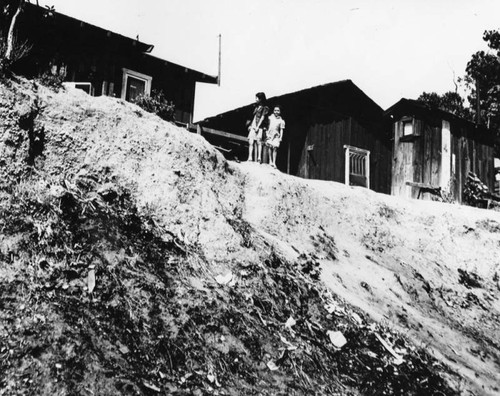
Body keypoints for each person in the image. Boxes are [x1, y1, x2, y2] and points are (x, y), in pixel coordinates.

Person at [247, 92, 269, 163]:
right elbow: (253, 117)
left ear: (260, 99)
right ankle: (250, 157)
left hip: (260, 126)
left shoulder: (264, 108)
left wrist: (258, 126)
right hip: (254, 124)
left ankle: (259, 157)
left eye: (257, 98)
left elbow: (262, 118)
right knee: (251, 141)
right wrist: (251, 125)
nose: (256, 99)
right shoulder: (255, 107)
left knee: (259, 141)